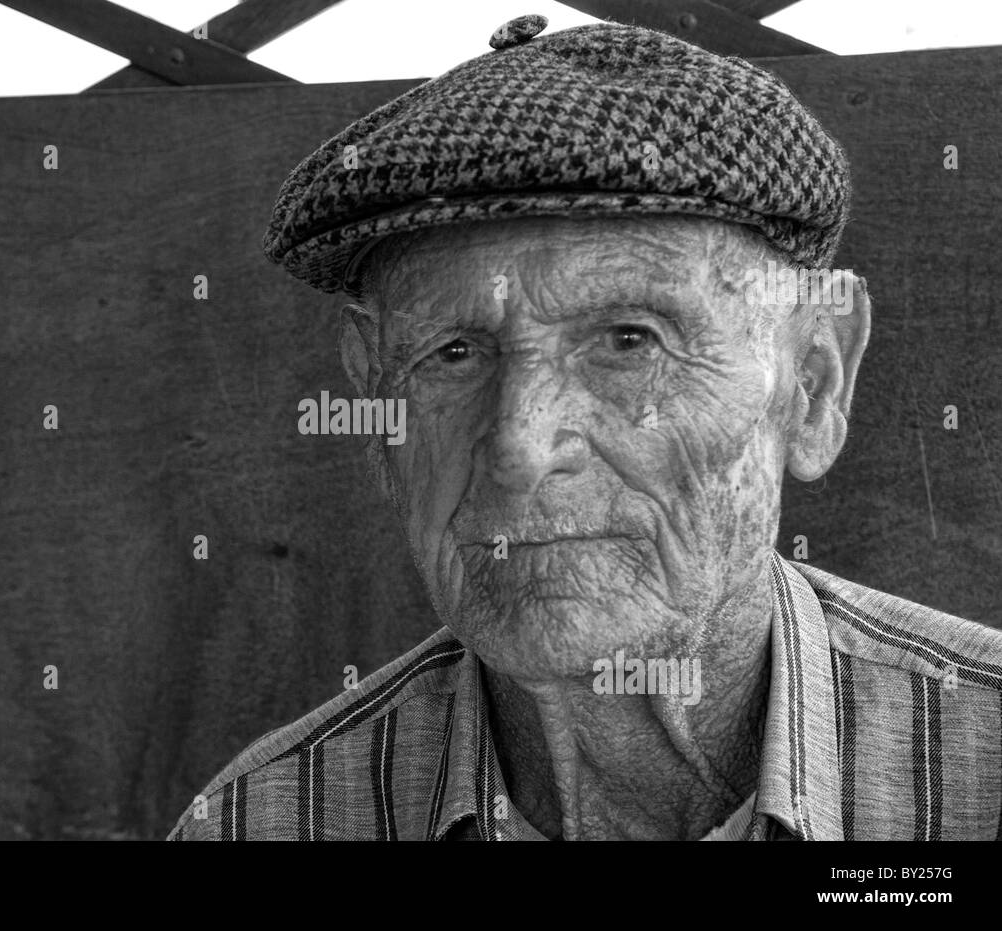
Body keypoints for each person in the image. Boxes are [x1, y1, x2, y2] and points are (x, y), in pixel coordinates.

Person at [169, 17, 1002, 841]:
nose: (522, 448)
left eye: (629, 341)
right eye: (453, 353)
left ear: (813, 385)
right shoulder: (264, 824)